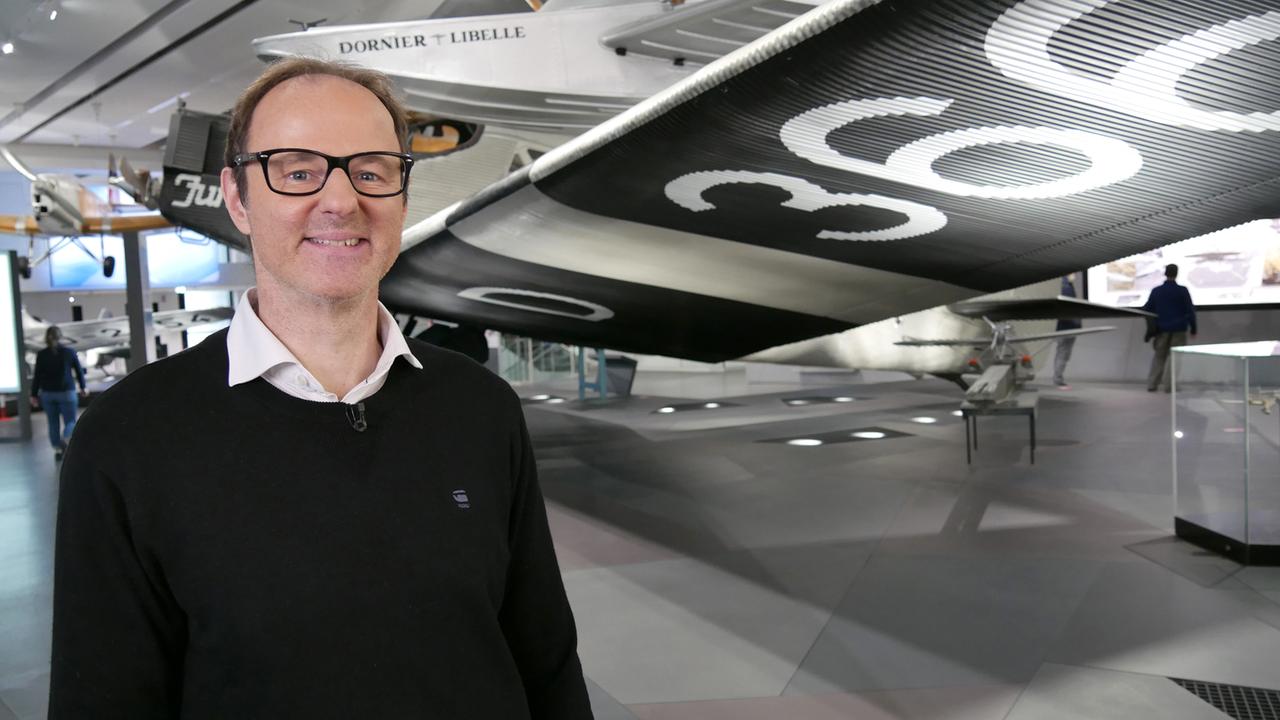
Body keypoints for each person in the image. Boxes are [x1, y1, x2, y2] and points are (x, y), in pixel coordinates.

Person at [49, 57, 592, 719]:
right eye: (298, 170)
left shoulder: (482, 408)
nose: (340, 201)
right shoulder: (129, 438)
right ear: (237, 198)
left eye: (370, 171)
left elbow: (547, 662)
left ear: (401, 196)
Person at [29, 325, 86, 461]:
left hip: (48, 394)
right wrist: (83, 387)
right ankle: (66, 439)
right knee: (71, 421)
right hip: (67, 392)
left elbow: (37, 376)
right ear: (60, 336)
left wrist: (34, 395)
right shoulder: (69, 352)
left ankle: (57, 447)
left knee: (53, 423)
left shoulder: (41, 355)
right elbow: (79, 371)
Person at [1142, 263, 1197, 392]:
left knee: (1159, 356)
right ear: (1176, 273)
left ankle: (1152, 384)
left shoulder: (1157, 291)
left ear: (1165, 273)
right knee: (1174, 357)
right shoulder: (1182, 291)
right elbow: (1190, 311)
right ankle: (1169, 386)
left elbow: (1147, 309)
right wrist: (1194, 328)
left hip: (1161, 329)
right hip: (1179, 329)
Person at [1053, 274, 1081, 390]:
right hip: (1067, 327)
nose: (1074, 275)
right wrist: (1076, 323)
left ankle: (1058, 378)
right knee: (1063, 353)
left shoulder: (1067, 285)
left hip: (1066, 326)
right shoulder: (1066, 287)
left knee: (1062, 353)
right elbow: (1069, 308)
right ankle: (1058, 380)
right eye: (1073, 273)